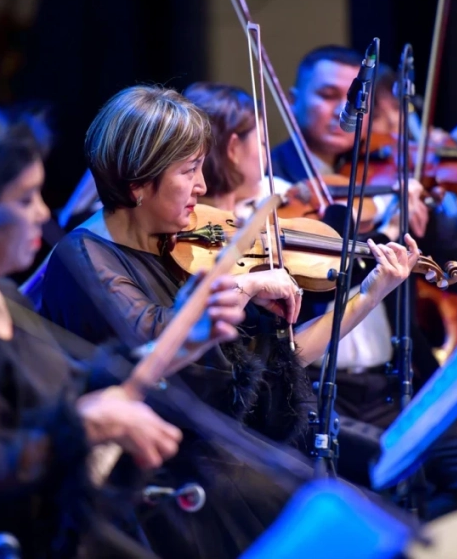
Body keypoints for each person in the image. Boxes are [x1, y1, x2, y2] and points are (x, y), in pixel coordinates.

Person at [0, 91, 247, 558]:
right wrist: (90, 424)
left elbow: (86, 386)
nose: (42, 213)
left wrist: (189, 338)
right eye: (24, 198)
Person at [39, 84, 418, 558]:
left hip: (225, 452)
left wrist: (369, 293)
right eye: (189, 170)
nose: (202, 187)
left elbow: (281, 361)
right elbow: (155, 344)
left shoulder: (177, 243)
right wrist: (241, 288)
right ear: (137, 183)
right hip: (161, 480)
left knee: (363, 521)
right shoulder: (82, 258)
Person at [270, 44, 457, 518]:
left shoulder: (390, 175)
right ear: (292, 98)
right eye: (326, 95)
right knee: (387, 491)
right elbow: (315, 280)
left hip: (392, 384)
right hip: (318, 390)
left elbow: (456, 274)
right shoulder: (272, 184)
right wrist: (381, 218)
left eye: (354, 98)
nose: (345, 109)